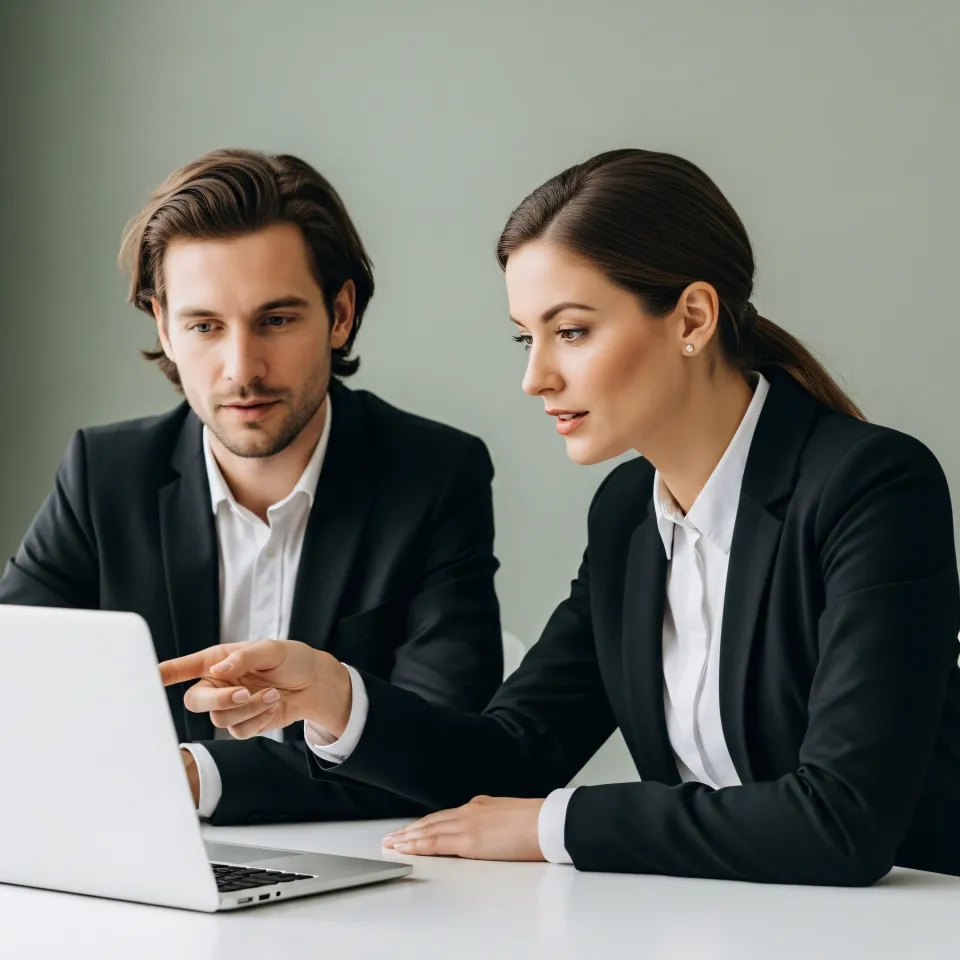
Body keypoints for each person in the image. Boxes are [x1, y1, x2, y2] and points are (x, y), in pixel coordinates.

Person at [160, 149, 960, 884]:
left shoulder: (872, 486)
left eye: (571, 331)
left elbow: (844, 822)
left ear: (691, 318)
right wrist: (333, 692)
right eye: (525, 339)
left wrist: (556, 825)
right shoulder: (628, 515)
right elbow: (515, 753)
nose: (536, 377)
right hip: (730, 924)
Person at [0, 148, 503, 825]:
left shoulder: (435, 476)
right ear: (164, 328)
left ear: (341, 314)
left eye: (276, 320)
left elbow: (438, 752)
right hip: (144, 870)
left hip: (371, 889)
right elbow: (16, 693)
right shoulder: (103, 475)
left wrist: (191, 775)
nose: (243, 367)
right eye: (205, 326)